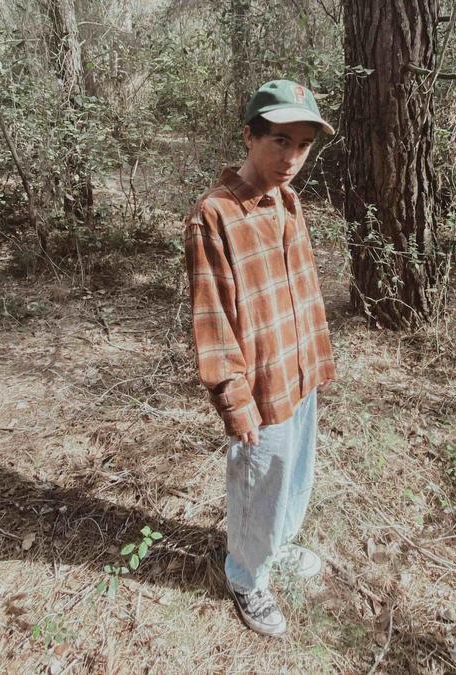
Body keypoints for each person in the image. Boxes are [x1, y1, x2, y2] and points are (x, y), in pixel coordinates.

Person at [183, 80, 336, 637]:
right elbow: (212, 317)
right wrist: (232, 397)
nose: (291, 157)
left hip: (298, 370)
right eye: (278, 140)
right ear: (248, 136)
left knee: (294, 474)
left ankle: (280, 545)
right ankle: (247, 575)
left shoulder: (288, 201)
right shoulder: (214, 215)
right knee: (257, 480)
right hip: (258, 383)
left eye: (303, 144)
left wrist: (315, 358)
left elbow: (302, 288)